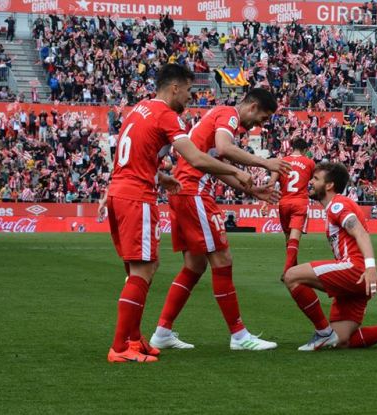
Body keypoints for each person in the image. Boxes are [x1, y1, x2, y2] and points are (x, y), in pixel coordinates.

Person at [105, 64, 252, 363]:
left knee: (141, 268)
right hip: (136, 197)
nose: (189, 97)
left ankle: (134, 339)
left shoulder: (139, 109)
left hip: (119, 192)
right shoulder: (165, 115)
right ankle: (120, 347)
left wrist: (161, 176)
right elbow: (197, 158)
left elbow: (128, 152)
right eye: (188, 91)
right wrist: (237, 170)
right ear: (175, 88)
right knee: (143, 270)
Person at [150, 89, 291, 351]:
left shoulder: (217, 116)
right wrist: (263, 163)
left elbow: (213, 165)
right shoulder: (229, 115)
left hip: (182, 192)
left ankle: (162, 332)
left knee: (194, 266)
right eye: (263, 117)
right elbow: (225, 150)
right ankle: (239, 336)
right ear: (252, 106)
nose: (260, 125)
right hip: (194, 194)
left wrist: (251, 190)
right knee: (222, 260)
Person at [282, 162, 377, 351]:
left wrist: (370, 267)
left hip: (355, 270)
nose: (310, 182)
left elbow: (360, 232)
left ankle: (323, 333)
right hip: (358, 278)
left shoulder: (337, 205)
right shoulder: (337, 206)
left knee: (291, 276)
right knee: (342, 341)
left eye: (316, 179)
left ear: (329, 185)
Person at [268, 138, 316, 277]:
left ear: (292, 148)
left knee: (288, 237)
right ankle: (287, 272)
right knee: (294, 238)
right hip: (300, 202)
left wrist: (265, 203)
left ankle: (292, 268)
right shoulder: (309, 162)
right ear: (305, 150)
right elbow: (315, 181)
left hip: (284, 203)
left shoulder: (282, 161)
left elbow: (271, 182)